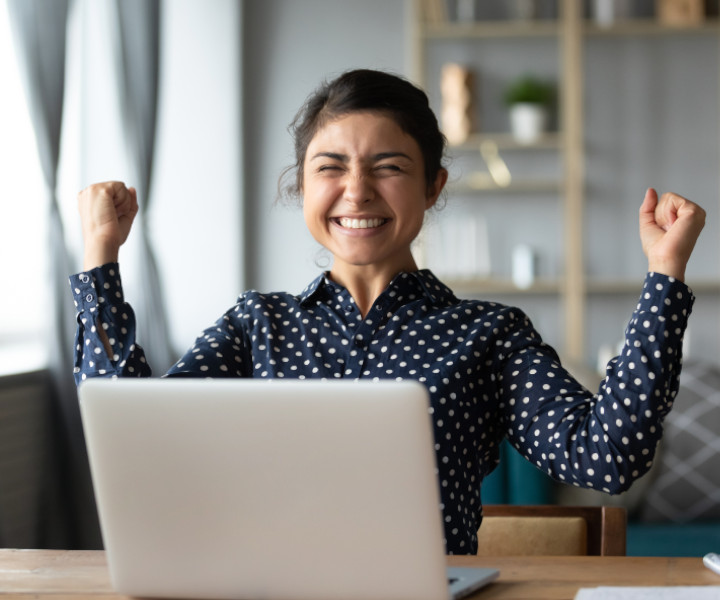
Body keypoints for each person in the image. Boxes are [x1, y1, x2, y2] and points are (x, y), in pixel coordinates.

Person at [71, 68, 706, 554]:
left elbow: (608, 457)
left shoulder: (489, 333)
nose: (357, 190)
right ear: (303, 185)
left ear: (433, 185)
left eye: (388, 166)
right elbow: (137, 440)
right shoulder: (255, 325)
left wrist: (664, 276)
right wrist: (101, 257)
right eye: (331, 167)